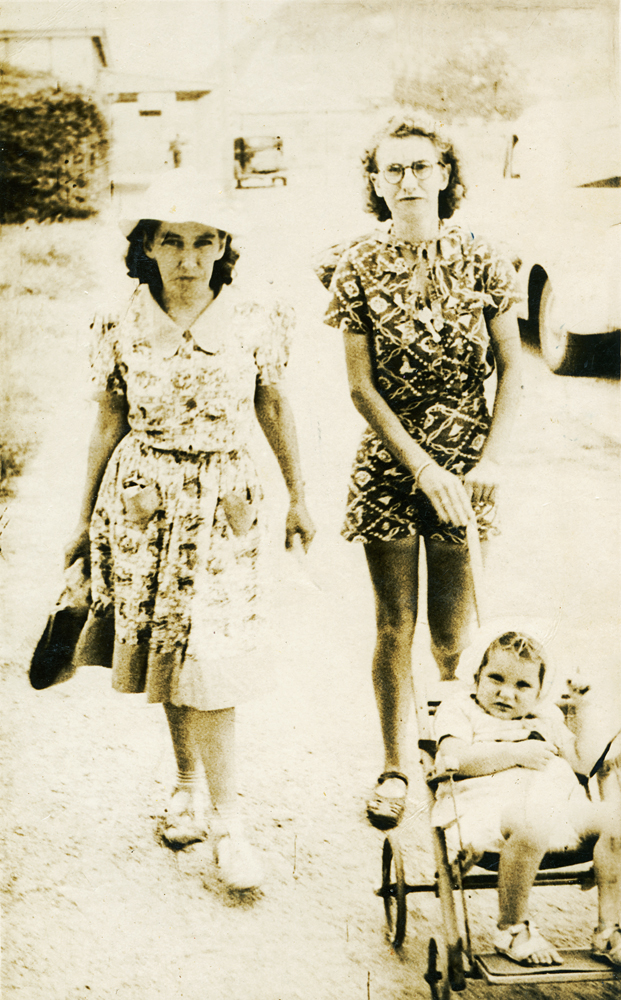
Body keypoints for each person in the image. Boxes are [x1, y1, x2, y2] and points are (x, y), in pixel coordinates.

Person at [65, 168, 315, 892]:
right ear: (145, 246)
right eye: (170, 241)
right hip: (142, 502)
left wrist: (298, 496)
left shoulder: (256, 315)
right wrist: (82, 518)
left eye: (203, 241)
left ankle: (231, 821)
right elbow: (108, 417)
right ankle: (185, 785)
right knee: (172, 647)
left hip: (226, 501)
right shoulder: (117, 320)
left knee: (216, 651)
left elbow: (273, 403)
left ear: (223, 246)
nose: (187, 258)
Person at [315, 109, 523, 830]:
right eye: (391, 168)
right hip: (389, 462)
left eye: (420, 165)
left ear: (445, 174)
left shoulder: (484, 257)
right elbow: (358, 386)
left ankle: (454, 753)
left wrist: (486, 460)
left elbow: (511, 370)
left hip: (467, 465)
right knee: (393, 623)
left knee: (451, 634)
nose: (407, 179)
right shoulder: (356, 264)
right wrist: (419, 467)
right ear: (375, 181)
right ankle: (395, 767)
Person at [433, 630, 621, 967]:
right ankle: (511, 929)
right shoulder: (460, 708)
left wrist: (585, 708)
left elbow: (582, 762)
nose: (506, 693)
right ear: (477, 677)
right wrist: (517, 753)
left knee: (617, 820)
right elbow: (455, 760)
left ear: (538, 693)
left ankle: (610, 930)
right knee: (531, 822)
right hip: (491, 812)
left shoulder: (546, 716)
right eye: (495, 679)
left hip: (559, 812)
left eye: (522, 686)